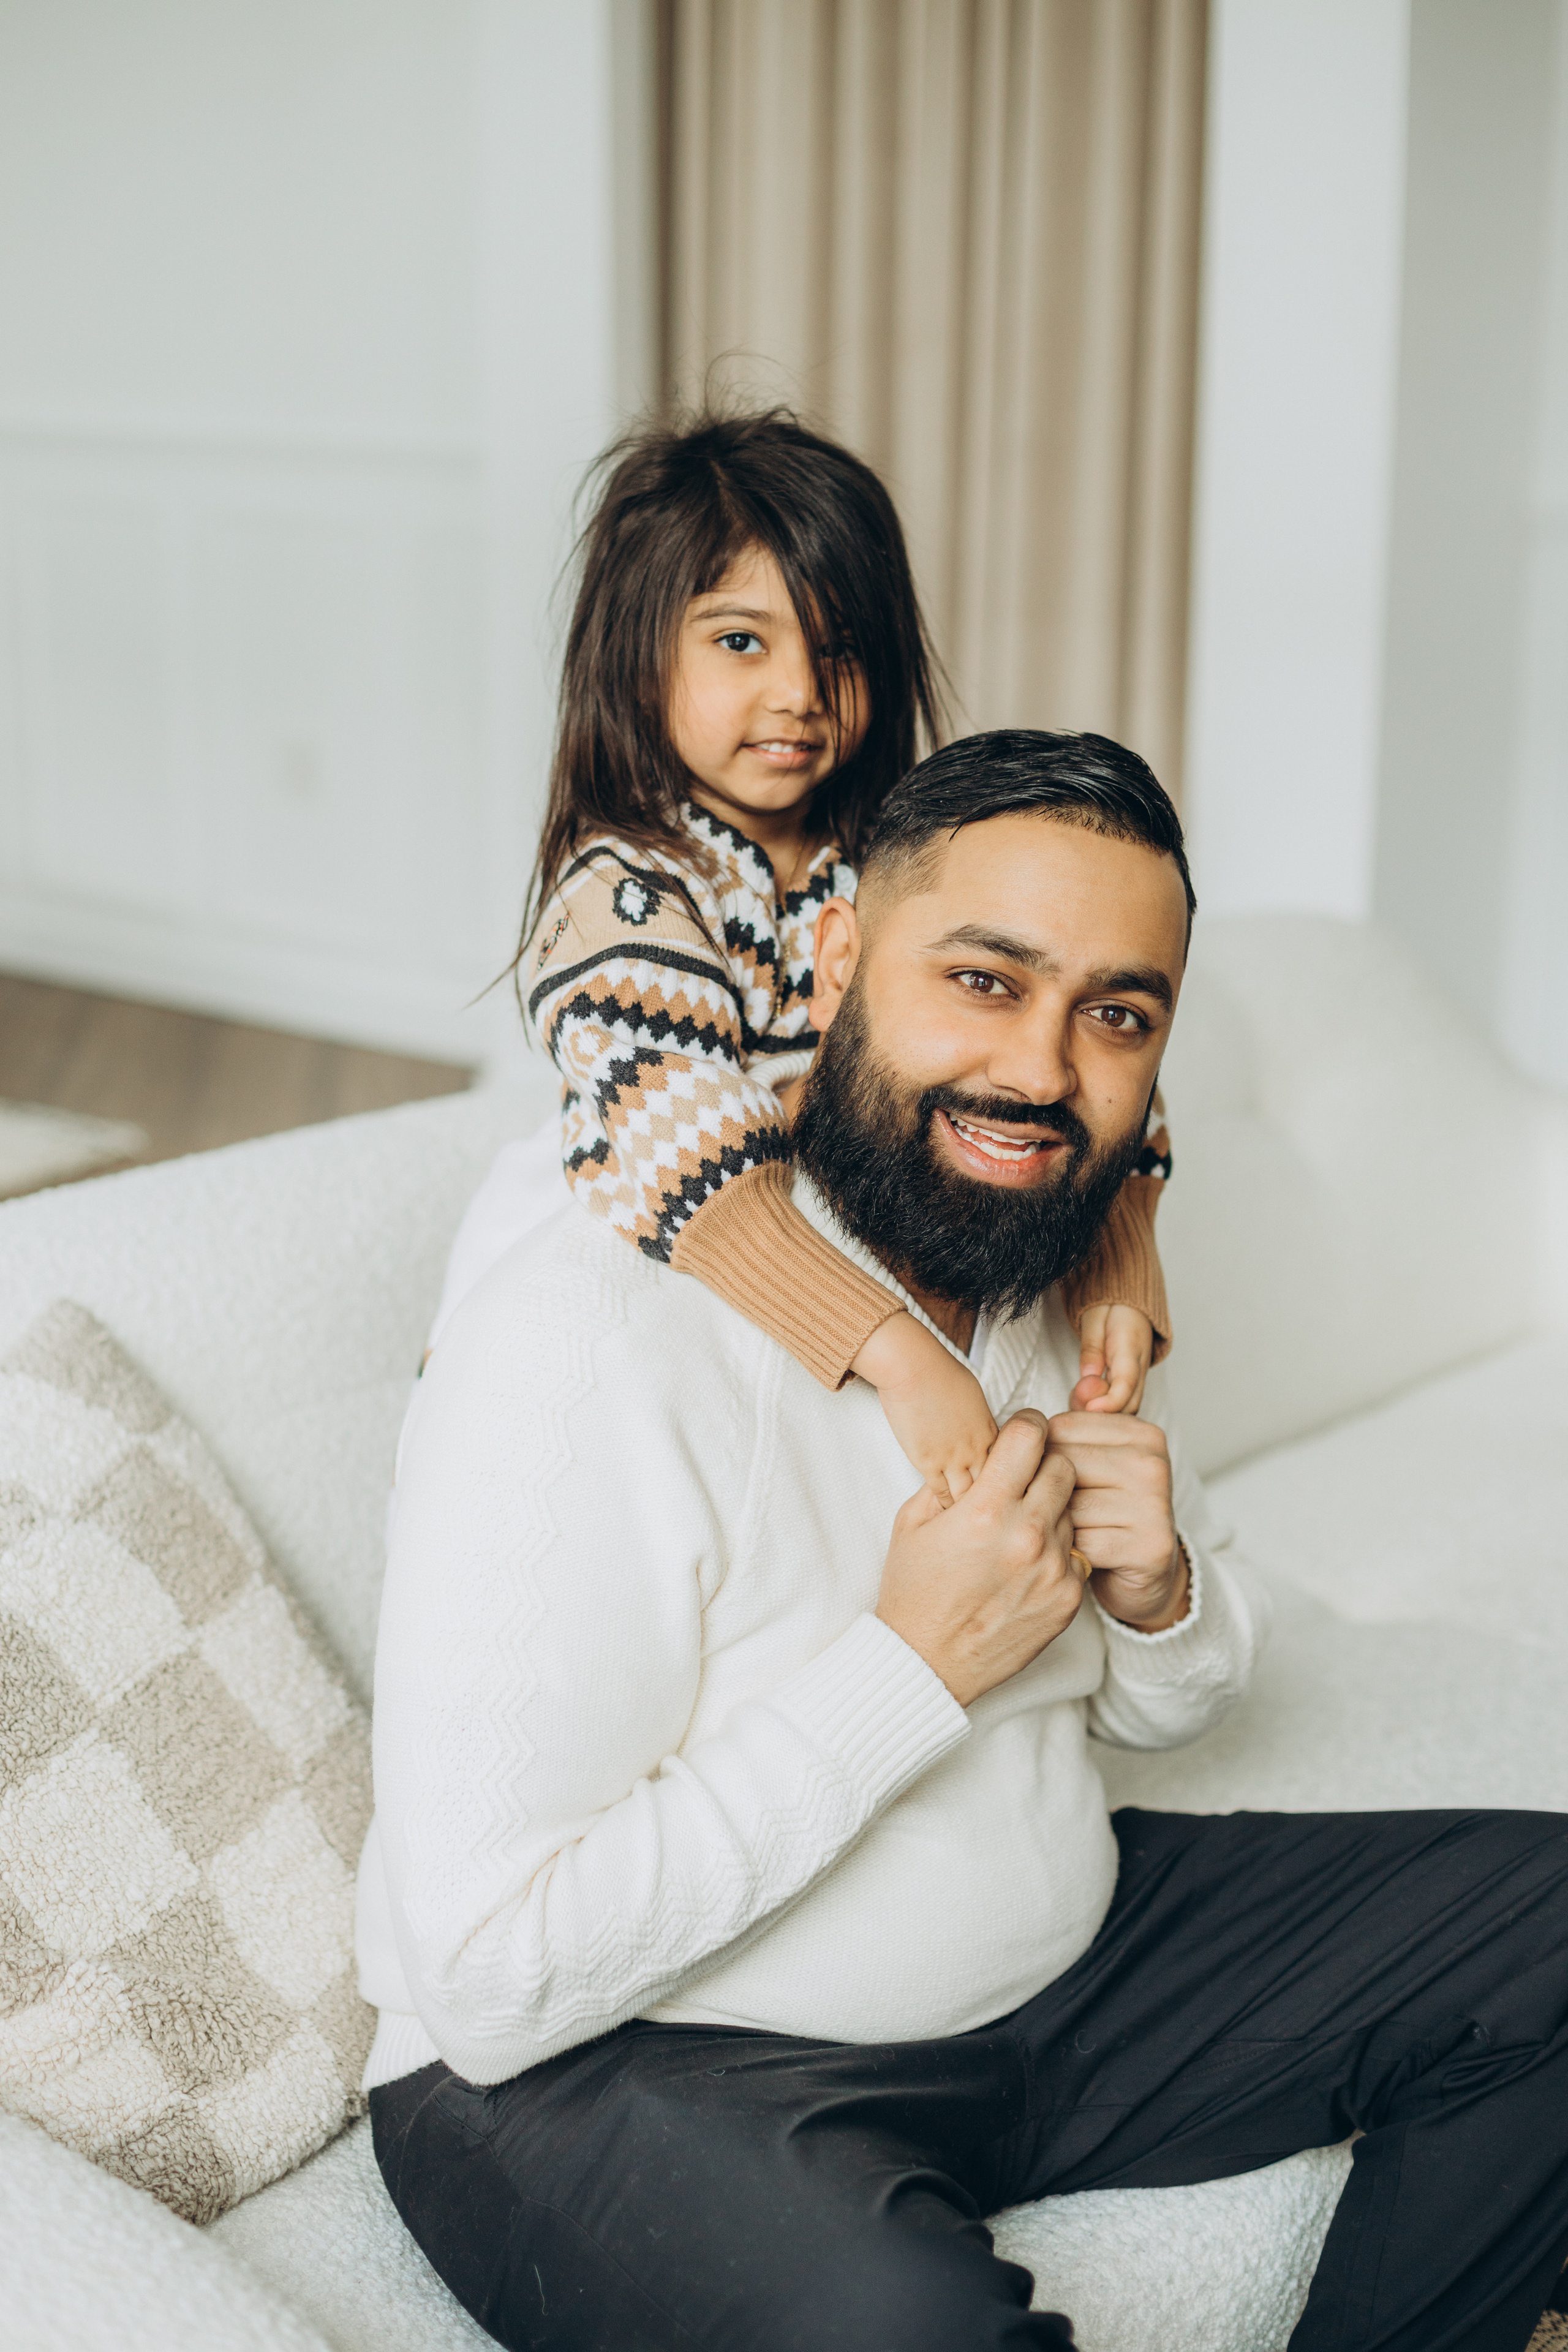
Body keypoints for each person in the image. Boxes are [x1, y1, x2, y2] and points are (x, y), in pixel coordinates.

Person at [358, 731, 1568, 2352]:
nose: (1042, 1073)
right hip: (620, 2057)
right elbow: (490, 1975)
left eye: (1116, 1015)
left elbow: (1171, 1698)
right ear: (844, 951)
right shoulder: (588, 1343)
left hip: (1051, 1985)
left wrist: (1158, 1602)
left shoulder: (1029, 1259)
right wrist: (912, 1666)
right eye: (985, 981)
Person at [426, 408, 1174, 1502]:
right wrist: (900, 1353)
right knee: (519, 1464)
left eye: (841, 654)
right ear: (638, 654)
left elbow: (1090, 1052)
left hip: (811, 1223)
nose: (800, 695)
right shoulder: (618, 896)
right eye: (741, 641)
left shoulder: (889, 859)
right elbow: (691, 1159)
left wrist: (1120, 1257)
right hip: (644, 1194)